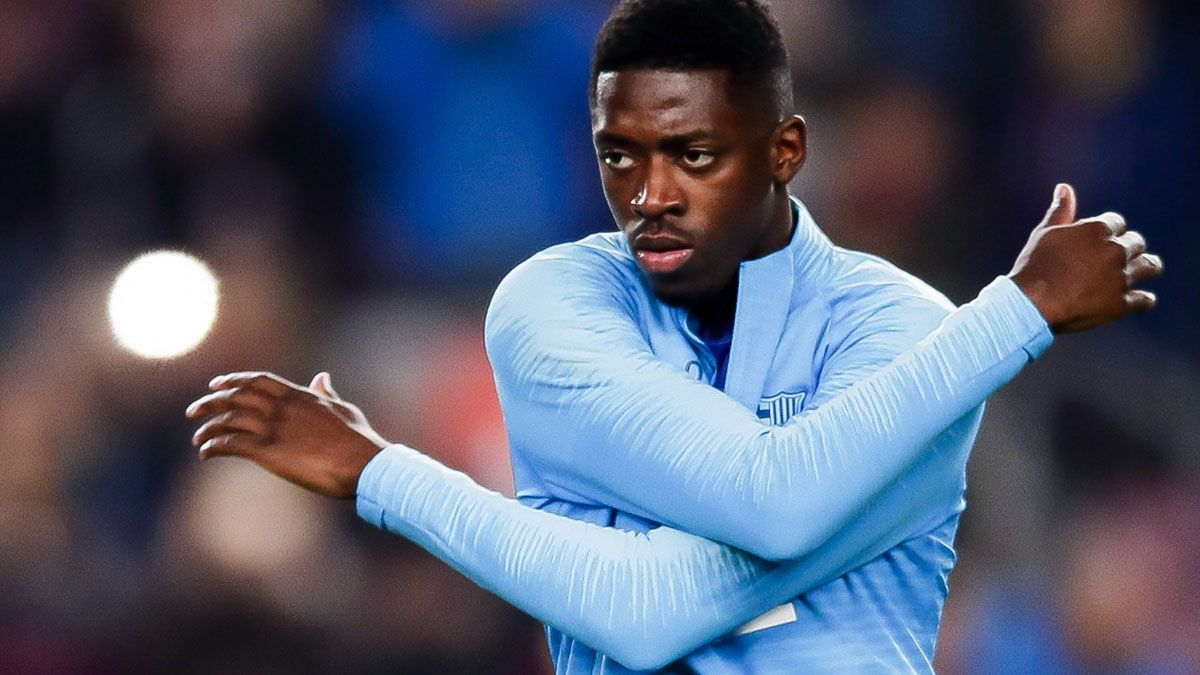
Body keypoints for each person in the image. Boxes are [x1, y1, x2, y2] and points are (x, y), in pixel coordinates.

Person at [185, 1, 1163, 671]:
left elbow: (682, 584)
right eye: (622, 156)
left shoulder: (903, 323)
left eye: (694, 154)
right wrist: (1018, 313)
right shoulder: (551, 303)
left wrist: (378, 473)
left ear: (785, 150)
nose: (651, 197)